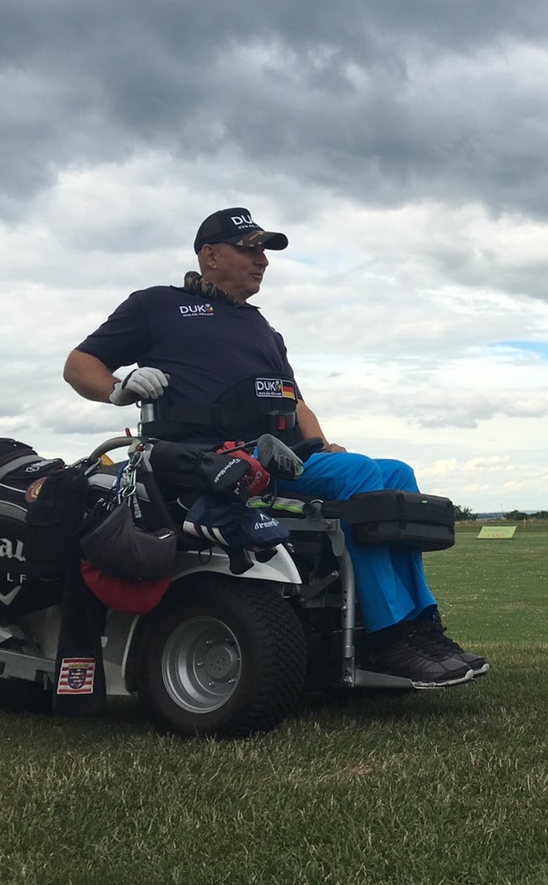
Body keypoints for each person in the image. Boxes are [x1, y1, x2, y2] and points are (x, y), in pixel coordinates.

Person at [63, 207, 486, 688]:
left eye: (264, 250)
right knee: (363, 478)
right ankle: (389, 637)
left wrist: (324, 445)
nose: (261, 259)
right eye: (249, 248)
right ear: (209, 255)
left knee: (396, 474)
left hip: (282, 458)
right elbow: (79, 365)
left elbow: (294, 400)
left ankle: (421, 625)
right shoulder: (156, 306)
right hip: (212, 464)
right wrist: (119, 387)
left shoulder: (263, 329)